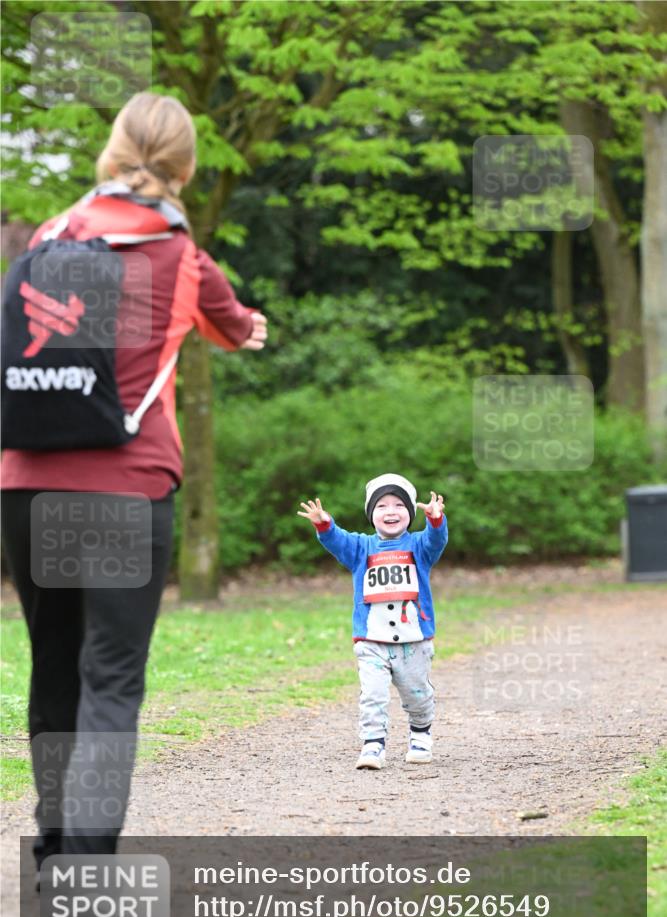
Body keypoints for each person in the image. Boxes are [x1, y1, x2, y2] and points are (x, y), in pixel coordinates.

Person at [0, 91, 268, 867]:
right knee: (110, 679)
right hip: (125, 489)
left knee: (52, 669)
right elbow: (232, 328)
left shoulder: (51, 233)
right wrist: (252, 327)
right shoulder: (181, 256)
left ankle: (54, 852)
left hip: (25, 484)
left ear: (111, 154)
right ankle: (85, 863)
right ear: (185, 167)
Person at [298, 474, 447, 770]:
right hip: (371, 640)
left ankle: (420, 735)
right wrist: (324, 523)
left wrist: (435, 520)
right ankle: (373, 744)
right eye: (381, 506)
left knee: (418, 695)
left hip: (413, 640)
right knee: (373, 695)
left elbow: (436, 539)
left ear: (410, 511)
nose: (390, 512)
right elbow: (336, 540)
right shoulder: (360, 548)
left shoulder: (419, 546)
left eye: (398, 505)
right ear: (371, 514)